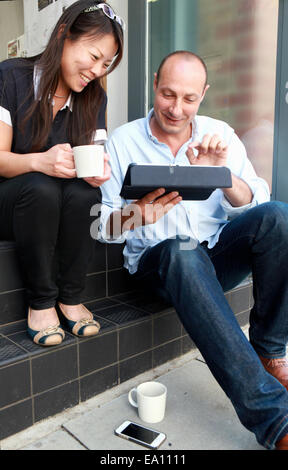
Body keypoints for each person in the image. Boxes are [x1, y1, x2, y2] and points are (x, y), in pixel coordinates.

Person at [98, 50, 288, 450]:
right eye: (168, 94)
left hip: (214, 256)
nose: (176, 108)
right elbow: (103, 227)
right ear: (154, 83)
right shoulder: (123, 141)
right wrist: (138, 215)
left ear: (203, 94)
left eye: (188, 98)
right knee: (182, 250)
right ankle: (276, 421)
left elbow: (257, 200)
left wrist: (222, 175)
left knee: (279, 217)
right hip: (160, 265)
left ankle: (269, 351)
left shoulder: (219, 133)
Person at [0, 1, 124, 346]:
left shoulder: (93, 98)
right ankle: (40, 302)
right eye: (94, 56)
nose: (97, 71)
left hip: (56, 202)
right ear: (63, 35)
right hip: (10, 201)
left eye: (106, 64)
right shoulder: (11, 76)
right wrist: (40, 161)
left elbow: (96, 156)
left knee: (87, 193)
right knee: (40, 186)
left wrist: (99, 171)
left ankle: (70, 297)